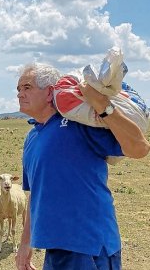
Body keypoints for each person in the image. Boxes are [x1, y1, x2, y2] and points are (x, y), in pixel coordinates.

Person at [14, 63, 150, 270]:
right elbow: (36, 193)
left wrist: (103, 106)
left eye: (27, 87)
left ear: (50, 92)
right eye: (18, 89)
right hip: (56, 247)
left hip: (90, 247)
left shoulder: (79, 124)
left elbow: (139, 148)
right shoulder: (32, 137)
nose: (19, 94)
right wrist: (25, 244)